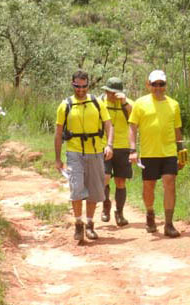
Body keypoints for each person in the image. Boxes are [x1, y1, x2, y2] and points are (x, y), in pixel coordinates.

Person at [54, 70, 114, 241]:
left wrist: (109, 145)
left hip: (95, 152)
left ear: (88, 85)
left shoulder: (97, 103)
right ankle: (78, 224)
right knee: (77, 187)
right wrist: (58, 159)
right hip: (74, 152)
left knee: (95, 189)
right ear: (72, 84)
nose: (80, 90)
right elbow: (58, 134)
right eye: (77, 86)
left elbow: (109, 125)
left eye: (84, 86)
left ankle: (90, 224)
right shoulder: (65, 105)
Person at [128, 70, 185, 238]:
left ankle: (168, 224)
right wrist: (132, 150)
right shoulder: (140, 103)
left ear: (165, 85)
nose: (158, 87)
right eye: (155, 84)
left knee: (170, 183)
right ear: (148, 85)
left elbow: (177, 130)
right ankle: (150, 213)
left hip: (168, 152)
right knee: (149, 186)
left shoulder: (173, 104)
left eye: (161, 84)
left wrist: (181, 151)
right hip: (148, 153)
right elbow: (132, 127)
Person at [98, 77, 134, 226]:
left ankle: (119, 213)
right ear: (105, 91)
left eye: (114, 92)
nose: (111, 95)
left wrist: (125, 103)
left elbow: (136, 119)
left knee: (121, 181)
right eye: (109, 92)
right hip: (103, 146)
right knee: (104, 178)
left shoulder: (129, 103)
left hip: (123, 147)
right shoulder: (99, 103)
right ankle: (106, 207)